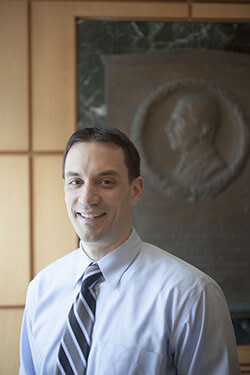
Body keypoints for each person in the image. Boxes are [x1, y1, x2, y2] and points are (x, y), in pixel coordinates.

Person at [20, 127, 240, 375]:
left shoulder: (190, 294)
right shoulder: (41, 289)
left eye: (106, 182)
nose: (87, 198)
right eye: (76, 182)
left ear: (135, 190)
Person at [165, 94, 226, 186]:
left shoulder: (215, 169)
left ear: (202, 130)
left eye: (179, 121)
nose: (168, 128)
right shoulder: (182, 164)